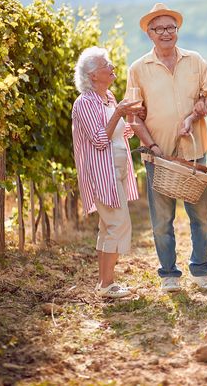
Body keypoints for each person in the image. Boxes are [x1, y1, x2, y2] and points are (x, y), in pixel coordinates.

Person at [126, 3, 207, 292]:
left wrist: (194, 115)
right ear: (149, 34)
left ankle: (201, 270)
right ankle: (168, 274)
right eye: (159, 29)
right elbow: (133, 114)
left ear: (177, 31)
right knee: (161, 221)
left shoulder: (195, 61)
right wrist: (152, 147)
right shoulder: (138, 69)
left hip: (193, 154)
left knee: (202, 218)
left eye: (171, 27)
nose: (166, 33)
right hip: (159, 157)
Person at [71, 46, 142, 298]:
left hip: (118, 169)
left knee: (107, 225)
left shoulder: (109, 98)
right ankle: (107, 284)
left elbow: (119, 134)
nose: (112, 67)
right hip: (103, 173)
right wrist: (120, 114)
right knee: (117, 223)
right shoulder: (85, 103)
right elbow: (100, 139)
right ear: (92, 76)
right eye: (106, 65)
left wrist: (129, 117)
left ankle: (104, 283)